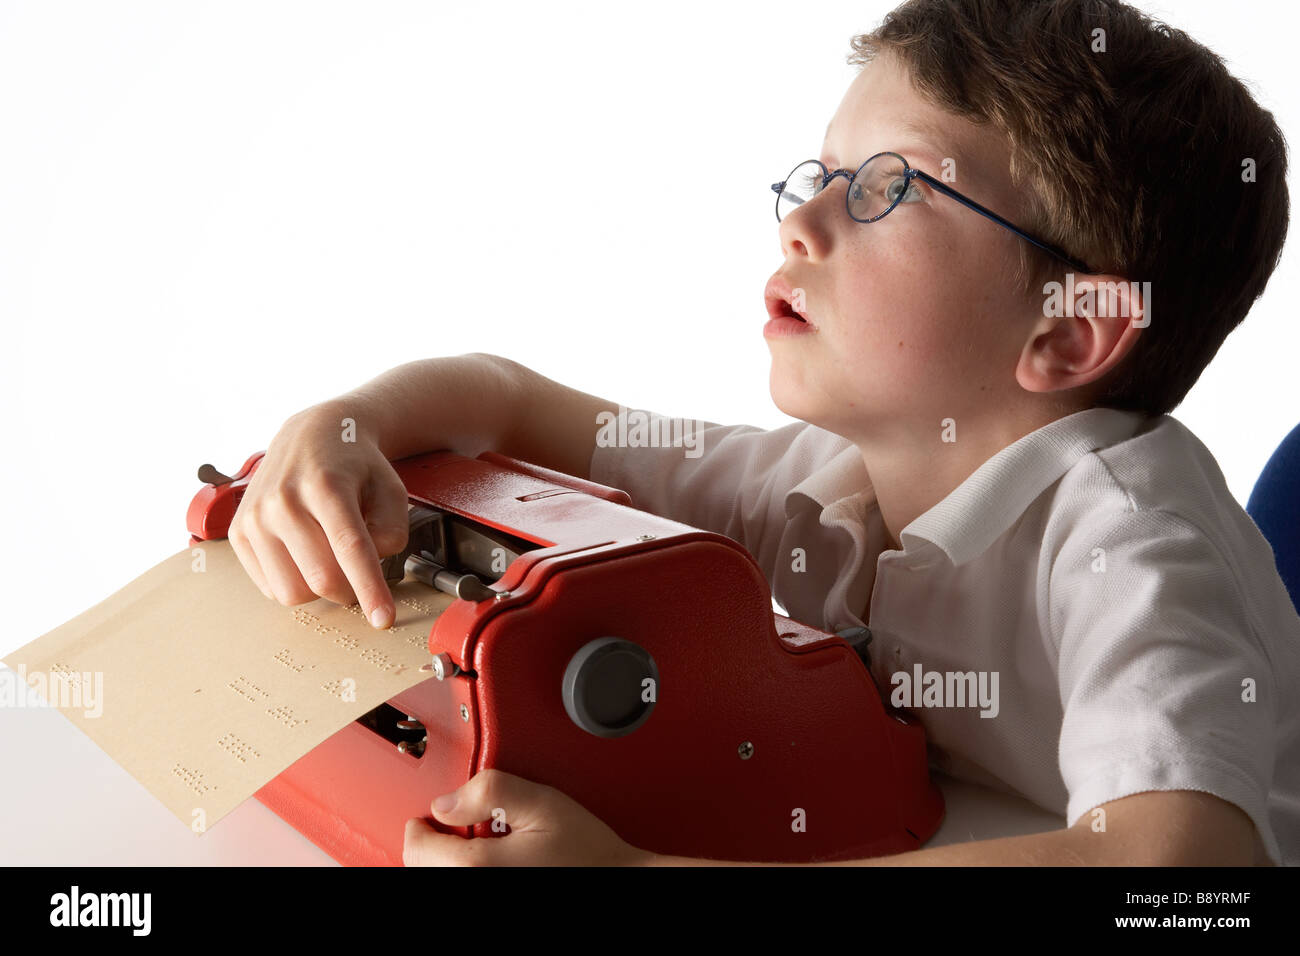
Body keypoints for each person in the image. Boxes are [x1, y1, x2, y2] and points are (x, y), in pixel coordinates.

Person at [229, 0, 1299, 865]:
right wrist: (335, 427)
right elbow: (508, 399)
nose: (801, 219)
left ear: (1069, 334)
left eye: (892, 187)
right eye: (821, 173)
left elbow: (1179, 868)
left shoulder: (1134, 535)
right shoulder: (829, 481)